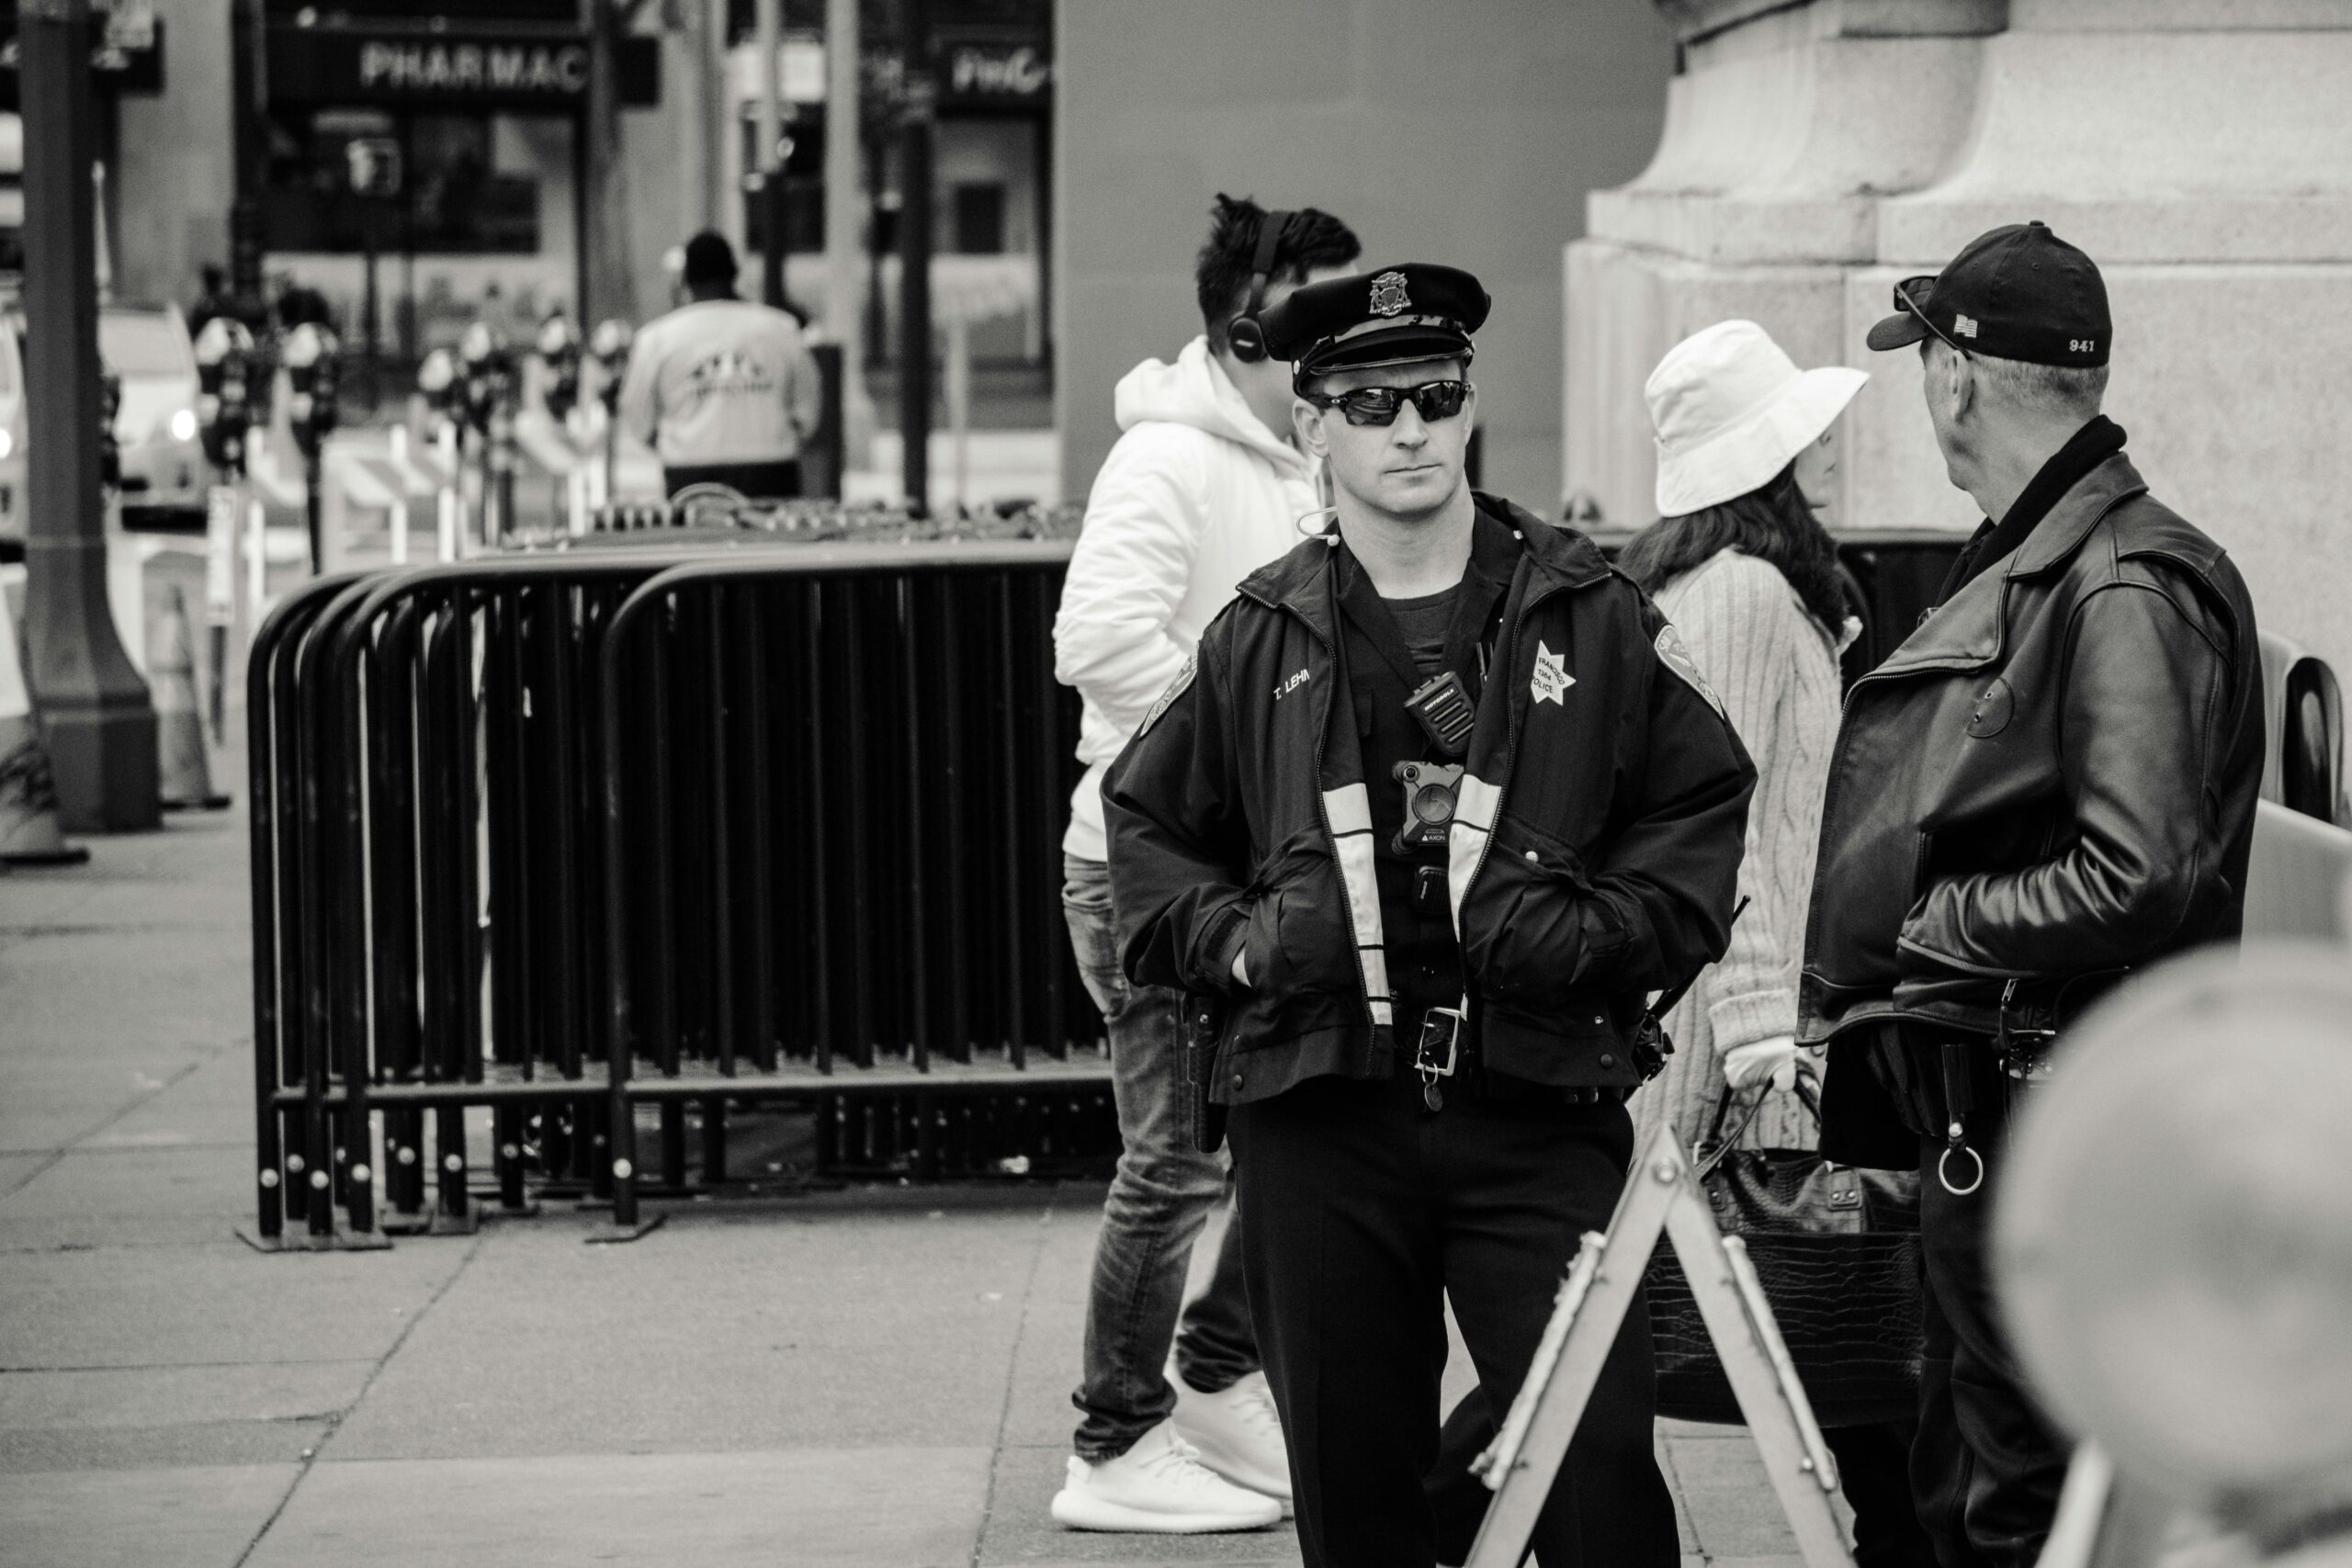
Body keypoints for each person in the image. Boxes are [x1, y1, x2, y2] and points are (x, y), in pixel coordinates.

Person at [1103, 263, 1756, 1568]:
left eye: (1434, 395)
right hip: (1319, 1113)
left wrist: (1595, 940)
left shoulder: (1589, 610)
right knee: (1359, 1496)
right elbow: (1149, 828)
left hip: (1536, 1106)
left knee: (1594, 1479)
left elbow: (1699, 808)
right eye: (1368, 400)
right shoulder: (1258, 634)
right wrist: (1242, 942)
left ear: (1468, 411)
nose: (1407, 426)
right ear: (1313, 430)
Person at [1420, 319, 1931, 1568]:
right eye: (1803, 439)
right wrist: (1771, 1043)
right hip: (1719, 1026)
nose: (1821, 460)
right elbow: (1745, 831)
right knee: (1606, 1340)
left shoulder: (1695, 586)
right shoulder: (1749, 598)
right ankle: (1422, 1520)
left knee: (1625, 1334)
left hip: (1703, 1010)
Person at [1803, 220, 2266, 1568]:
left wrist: (1930, 928)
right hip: (2018, 1094)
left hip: (2049, 1109)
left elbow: (2142, 868)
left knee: (2017, 1490)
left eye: (1926, 364)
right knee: (1976, 1464)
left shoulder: (2120, 578)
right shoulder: (2056, 545)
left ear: (1954, 377)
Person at [1048, 195, 1362, 1535]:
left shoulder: (1292, 450)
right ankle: (1113, 1441)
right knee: (1173, 1163)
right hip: (1150, 874)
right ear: (1250, 329)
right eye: (1323, 314)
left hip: (1242, 873)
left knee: (1292, 1129)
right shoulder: (1168, 462)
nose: (1353, 336)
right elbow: (1094, 638)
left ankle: (1217, 1367)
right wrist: (1247, 724)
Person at [616, 230, 821, 501]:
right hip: (771, 470)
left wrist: (675, 443)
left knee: (697, 544)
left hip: (690, 471)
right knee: (774, 544)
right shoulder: (780, 328)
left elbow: (636, 415)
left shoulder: (656, 339)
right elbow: (808, 407)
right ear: (734, 273)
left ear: (686, 279)